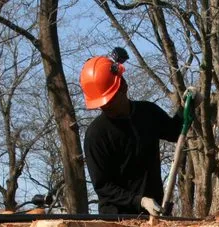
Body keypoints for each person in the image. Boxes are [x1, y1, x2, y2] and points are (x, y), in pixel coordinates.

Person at [81, 51, 193, 216]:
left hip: (155, 212)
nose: (105, 107)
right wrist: (139, 200)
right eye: (102, 104)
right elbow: (103, 186)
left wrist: (187, 107)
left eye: (110, 101)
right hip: (116, 218)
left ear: (123, 87)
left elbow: (174, 132)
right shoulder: (96, 135)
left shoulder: (148, 112)